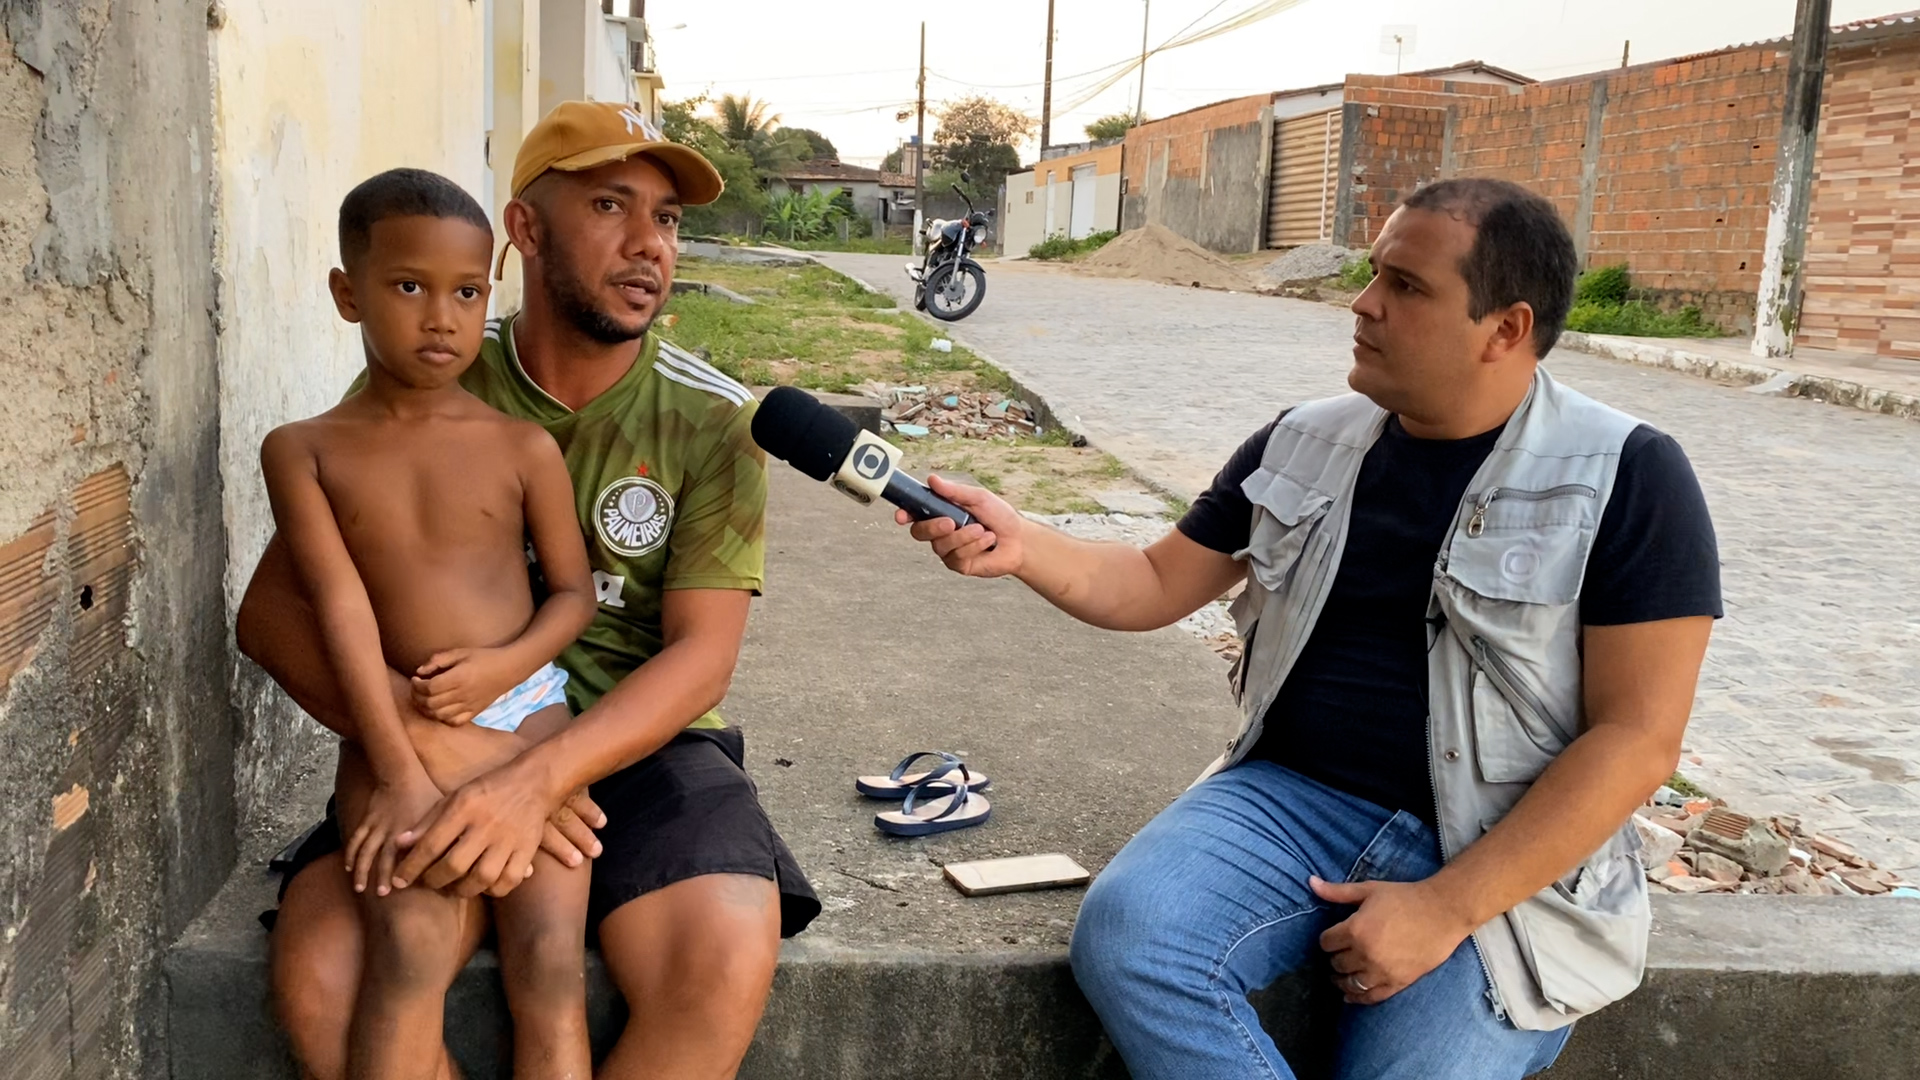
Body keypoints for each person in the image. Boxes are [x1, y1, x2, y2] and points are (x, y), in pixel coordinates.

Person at [895, 178, 1721, 1079]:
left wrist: (1446, 906)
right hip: (1288, 800)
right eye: (1373, 276)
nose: (1363, 305)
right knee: (1133, 937)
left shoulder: (1628, 476)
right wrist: (1024, 543)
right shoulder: (1302, 440)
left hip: (1504, 849)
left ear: (1506, 328)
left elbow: (1639, 738)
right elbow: (1152, 579)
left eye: (1406, 287)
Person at [238, 102, 820, 1080]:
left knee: (719, 955)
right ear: (526, 231)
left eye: (668, 219)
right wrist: (439, 748)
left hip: (640, 747)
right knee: (325, 978)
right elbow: (276, 615)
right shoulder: (437, 375)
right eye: (609, 205)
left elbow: (700, 655)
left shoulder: (712, 419)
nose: (648, 245)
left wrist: (535, 782)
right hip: (430, 733)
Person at [259, 166, 602, 1079]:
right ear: (348, 294)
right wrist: (403, 775)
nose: (441, 317)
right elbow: (338, 610)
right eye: (408, 287)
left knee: (551, 963)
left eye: (466, 290)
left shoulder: (522, 447)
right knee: (408, 946)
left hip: (527, 715)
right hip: (392, 726)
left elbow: (574, 595)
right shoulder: (303, 452)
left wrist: (505, 670)